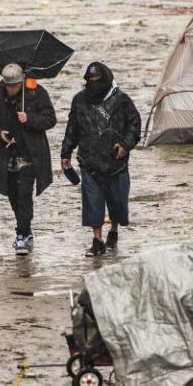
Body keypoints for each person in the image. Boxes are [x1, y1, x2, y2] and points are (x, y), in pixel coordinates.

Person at [60, 62, 141, 257]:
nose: (95, 84)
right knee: (93, 202)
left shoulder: (121, 100)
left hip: (116, 161)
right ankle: (97, 240)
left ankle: (113, 229)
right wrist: (65, 153)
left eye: (99, 80)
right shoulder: (79, 101)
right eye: (91, 80)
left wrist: (125, 145)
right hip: (89, 161)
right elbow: (72, 128)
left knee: (118, 202)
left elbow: (135, 124)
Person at [0, 63, 56, 255]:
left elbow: (50, 119)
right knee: (13, 195)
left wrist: (29, 118)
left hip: (31, 154)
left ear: (21, 82)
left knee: (24, 194)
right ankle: (25, 227)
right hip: (6, 153)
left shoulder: (37, 93)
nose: (11, 89)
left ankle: (21, 234)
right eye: (8, 86)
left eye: (14, 85)